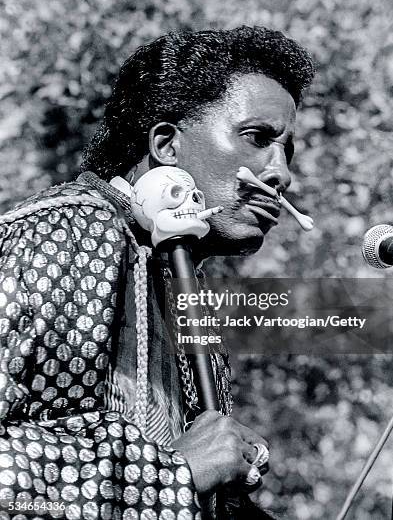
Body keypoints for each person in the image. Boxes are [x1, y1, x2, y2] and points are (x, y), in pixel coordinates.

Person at [0, 26, 314, 519]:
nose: (281, 173)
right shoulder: (68, 230)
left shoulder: (183, 288)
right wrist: (171, 475)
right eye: (257, 138)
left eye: (287, 151)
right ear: (166, 145)